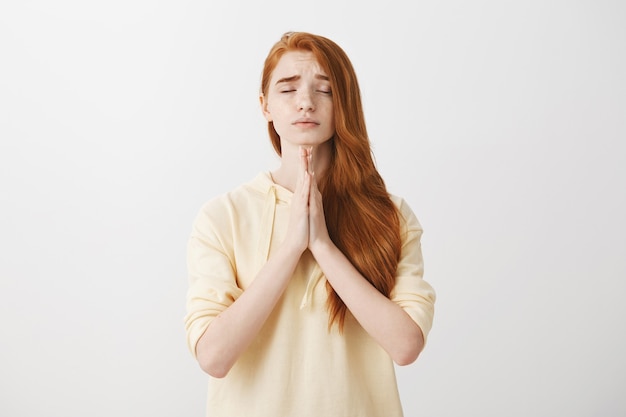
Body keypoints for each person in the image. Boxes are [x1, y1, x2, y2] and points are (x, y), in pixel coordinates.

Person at [184, 31, 436, 417]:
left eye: (325, 90)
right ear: (265, 106)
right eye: (288, 90)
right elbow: (214, 357)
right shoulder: (223, 216)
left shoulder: (390, 214)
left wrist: (322, 246)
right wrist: (291, 248)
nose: (305, 102)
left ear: (344, 105)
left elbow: (406, 346)